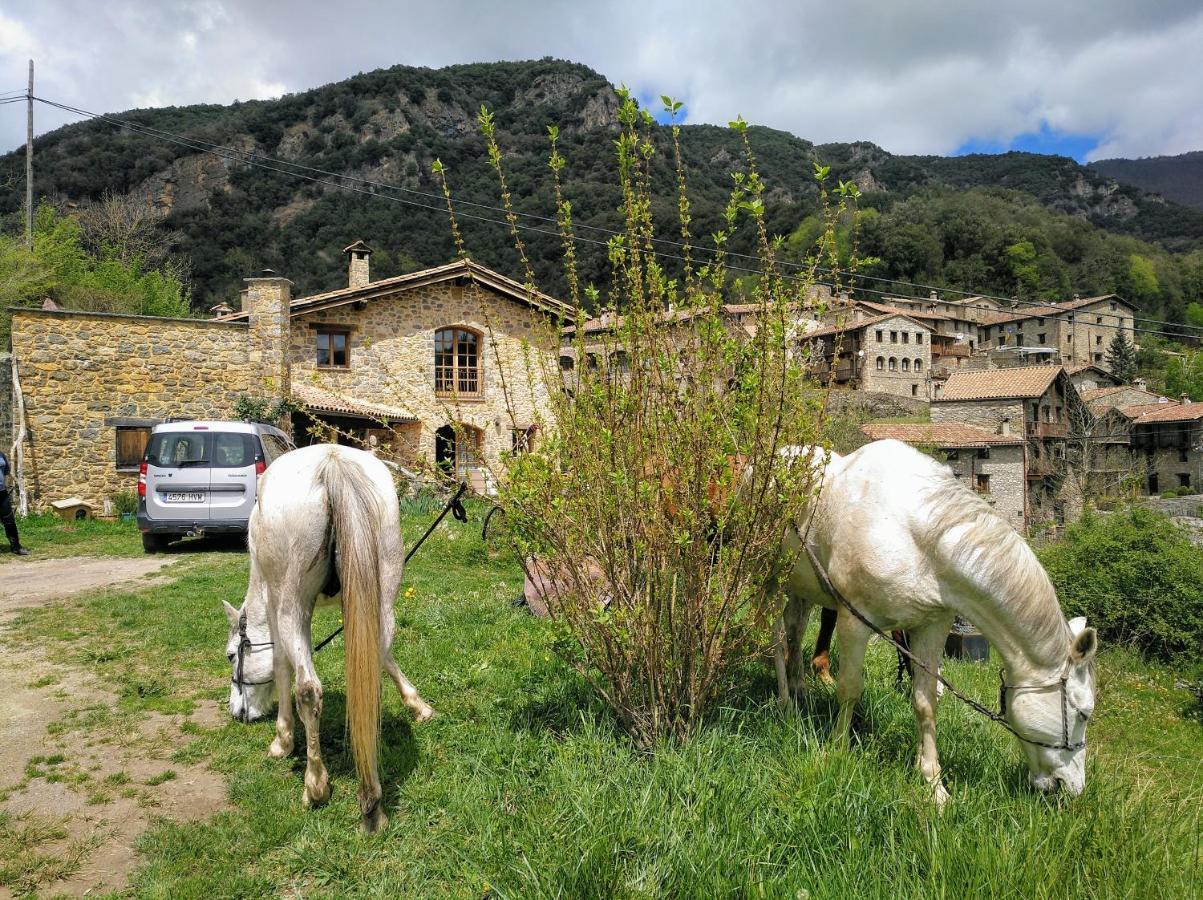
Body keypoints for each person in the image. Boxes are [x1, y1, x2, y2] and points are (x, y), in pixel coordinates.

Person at [0, 449, 29, 555]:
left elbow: (6, 471)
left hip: (2, 493)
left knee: (9, 520)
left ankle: (16, 547)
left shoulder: (1, 455)